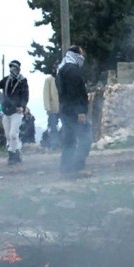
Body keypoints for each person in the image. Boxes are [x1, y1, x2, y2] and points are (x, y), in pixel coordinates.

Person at [56, 45, 91, 175]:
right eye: (81, 53)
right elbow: (74, 92)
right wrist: (80, 111)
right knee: (86, 136)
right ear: (76, 54)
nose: (83, 57)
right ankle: (77, 165)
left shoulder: (62, 68)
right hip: (73, 111)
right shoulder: (72, 70)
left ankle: (66, 167)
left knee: (69, 139)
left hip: (65, 109)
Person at [0, 59, 30, 165]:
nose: (12, 69)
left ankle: (13, 154)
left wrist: (22, 107)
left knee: (13, 134)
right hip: (6, 110)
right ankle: (15, 152)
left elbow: (25, 95)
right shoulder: (6, 80)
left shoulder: (22, 81)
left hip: (17, 111)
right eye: (11, 67)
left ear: (19, 69)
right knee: (7, 134)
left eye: (15, 67)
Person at [43, 62, 60, 149]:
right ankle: (53, 145)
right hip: (53, 108)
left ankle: (62, 144)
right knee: (53, 127)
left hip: (62, 107)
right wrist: (47, 107)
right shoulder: (49, 80)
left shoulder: (61, 79)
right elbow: (46, 94)